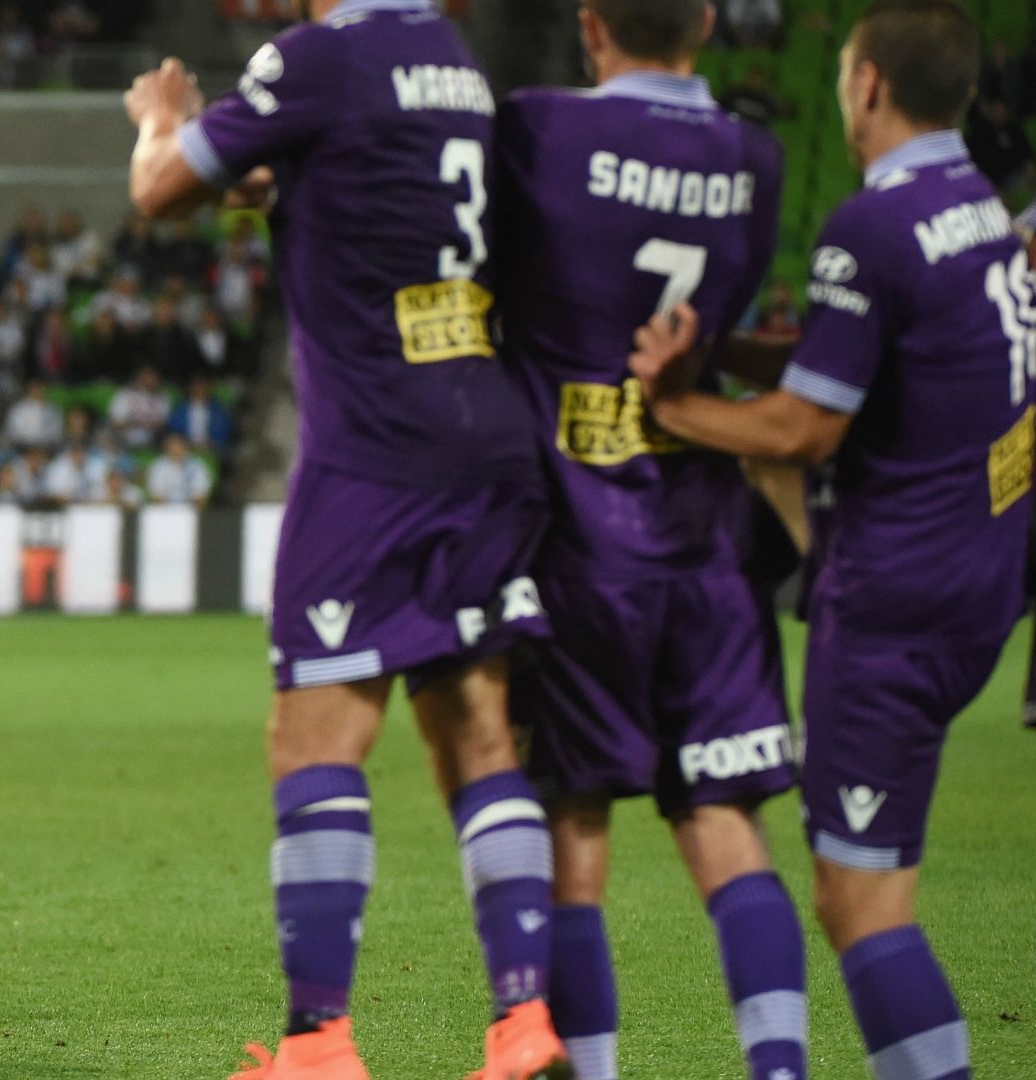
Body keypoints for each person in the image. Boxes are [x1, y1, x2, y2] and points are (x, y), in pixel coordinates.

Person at [127, 1, 564, 1076]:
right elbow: (325, 178)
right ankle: (523, 1022)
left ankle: (319, 1043)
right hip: (486, 426)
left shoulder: (316, 58)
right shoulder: (452, 61)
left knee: (314, 740)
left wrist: (158, 122)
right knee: (476, 733)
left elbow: (158, 193)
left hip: (375, 444)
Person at [628, 5, 1034, 1077]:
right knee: (869, 886)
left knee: (860, 906)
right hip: (981, 588)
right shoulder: (981, 210)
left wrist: (676, 410)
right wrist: (725, 358)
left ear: (865, 89)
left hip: (895, 607)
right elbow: (844, 359)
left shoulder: (872, 227)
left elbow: (808, 429)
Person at [491, 4, 804, 1079]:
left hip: (577, 536)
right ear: (708, 21)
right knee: (724, 824)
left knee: (573, 837)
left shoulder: (534, 130)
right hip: (707, 533)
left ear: (586, 25)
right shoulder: (757, 159)